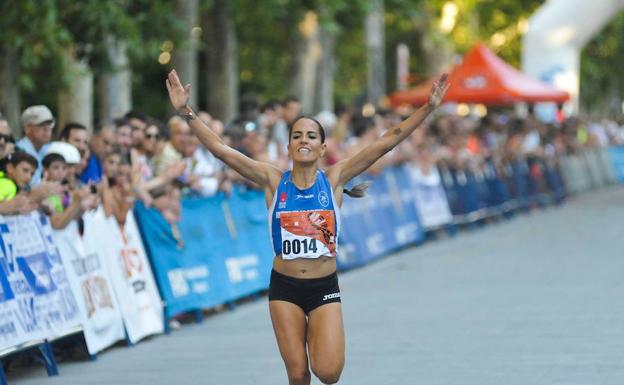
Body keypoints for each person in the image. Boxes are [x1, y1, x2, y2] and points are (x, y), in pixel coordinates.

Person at [167, 70, 449, 384]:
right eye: (297, 136)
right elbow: (221, 150)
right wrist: (186, 113)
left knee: (328, 372)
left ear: (322, 148)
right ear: (288, 147)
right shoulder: (273, 180)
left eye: (311, 136)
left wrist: (428, 108)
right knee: (298, 374)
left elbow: (388, 141)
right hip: (284, 288)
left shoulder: (334, 180)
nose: (304, 140)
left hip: (323, 287)